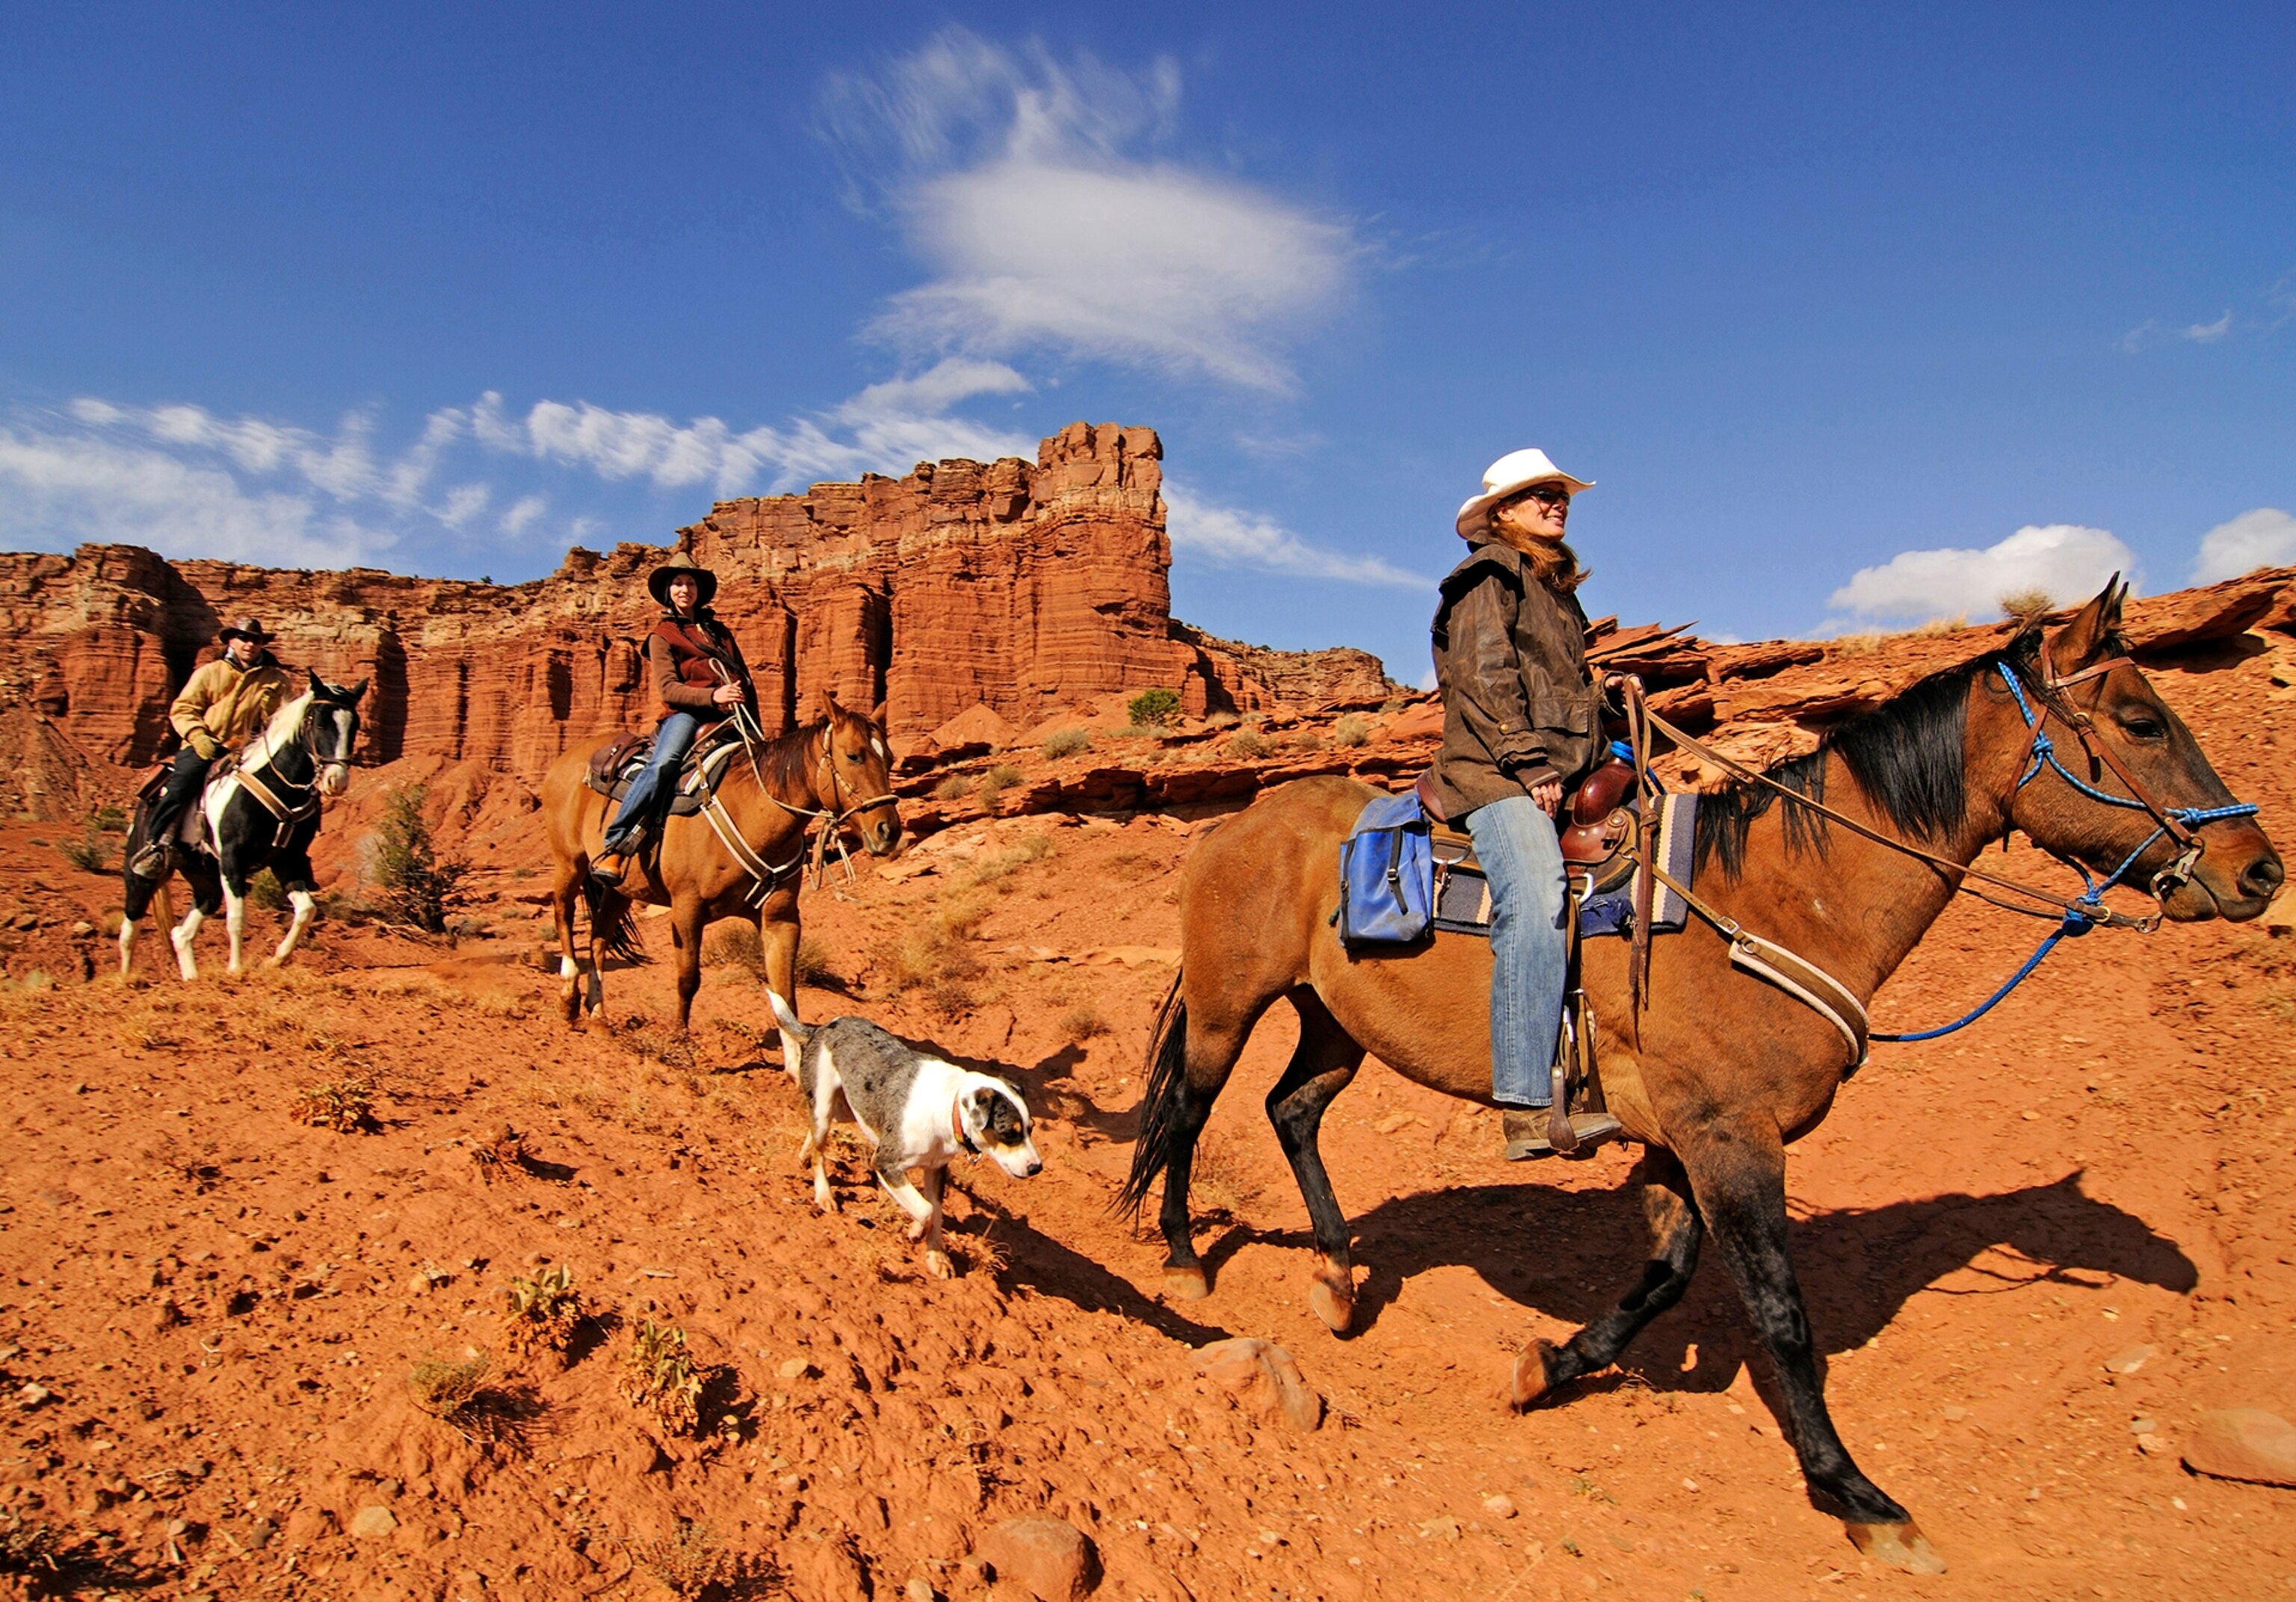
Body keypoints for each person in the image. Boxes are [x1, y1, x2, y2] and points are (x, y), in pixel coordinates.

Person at [1428, 449, 1623, 1160]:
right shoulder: (1490, 573)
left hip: (1563, 764)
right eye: (1538, 495)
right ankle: (1525, 1101)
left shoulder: (1553, 588)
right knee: (1538, 894)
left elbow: (1557, 687)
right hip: (1494, 771)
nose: (1555, 502)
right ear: (1502, 512)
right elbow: (1484, 676)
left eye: (1559, 493)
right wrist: (1529, 761)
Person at [590, 552, 757, 888]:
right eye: (679, 583)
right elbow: (669, 690)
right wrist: (713, 696)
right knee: (664, 764)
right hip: (685, 714)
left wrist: (755, 725)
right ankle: (617, 844)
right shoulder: (662, 635)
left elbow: (743, 678)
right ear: (669, 591)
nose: (685, 589)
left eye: (691, 583)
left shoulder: (719, 632)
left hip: (729, 715)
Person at [131, 617, 295, 879]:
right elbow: (183, 709)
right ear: (231, 640)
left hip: (248, 753)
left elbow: (283, 720)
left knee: (292, 792)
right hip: (204, 747)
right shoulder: (209, 673)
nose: (250, 644)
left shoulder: (277, 680)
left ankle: (292, 856)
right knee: (181, 785)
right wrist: (198, 736)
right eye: (244, 638)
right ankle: (156, 846)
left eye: (256, 639)